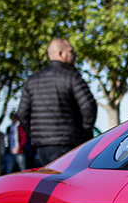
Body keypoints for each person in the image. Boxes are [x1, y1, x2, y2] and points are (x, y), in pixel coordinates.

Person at [17, 37, 97, 167]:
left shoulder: (32, 81)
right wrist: (84, 134)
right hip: (69, 145)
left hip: (42, 148)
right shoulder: (71, 76)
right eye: (71, 51)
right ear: (61, 53)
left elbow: (22, 113)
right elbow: (88, 106)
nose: (74, 55)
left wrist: (35, 136)